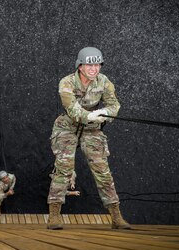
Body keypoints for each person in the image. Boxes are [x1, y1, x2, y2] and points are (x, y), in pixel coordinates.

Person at [46, 47, 131, 230]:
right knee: (64, 168)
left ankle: (116, 216)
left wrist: (105, 112)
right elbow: (72, 110)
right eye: (89, 64)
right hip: (67, 127)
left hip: (92, 129)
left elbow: (114, 105)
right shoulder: (67, 82)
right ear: (80, 66)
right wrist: (90, 116)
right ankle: (54, 214)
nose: (94, 69)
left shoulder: (103, 81)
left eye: (97, 64)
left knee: (102, 170)